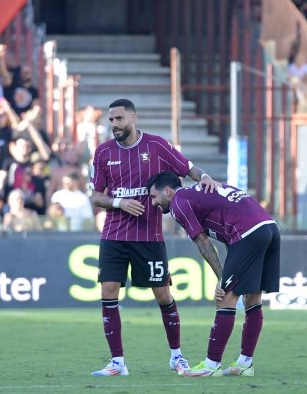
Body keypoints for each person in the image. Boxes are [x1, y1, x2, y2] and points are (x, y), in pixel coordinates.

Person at [89, 98, 220, 377]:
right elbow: (96, 196)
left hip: (149, 235)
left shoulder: (156, 146)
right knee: (108, 292)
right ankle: (117, 363)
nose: (114, 125)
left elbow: (187, 169)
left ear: (134, 118)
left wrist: (205, 176)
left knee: (163, 295)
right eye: (111, 120)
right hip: (113, 235)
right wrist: (118, 204)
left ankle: (176, 356)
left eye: (119, 119)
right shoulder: (102, 153)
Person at [146, 171, 280, 377]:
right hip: (269, 228)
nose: (153, 203)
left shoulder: (179, 203)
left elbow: (203, 243)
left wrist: (222, 278)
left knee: (225, 298)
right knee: (253, 298)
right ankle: (245, 363)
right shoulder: (198, 193)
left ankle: (211, 365)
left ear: (167, 191)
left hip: (247, 233)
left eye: (154, 197)